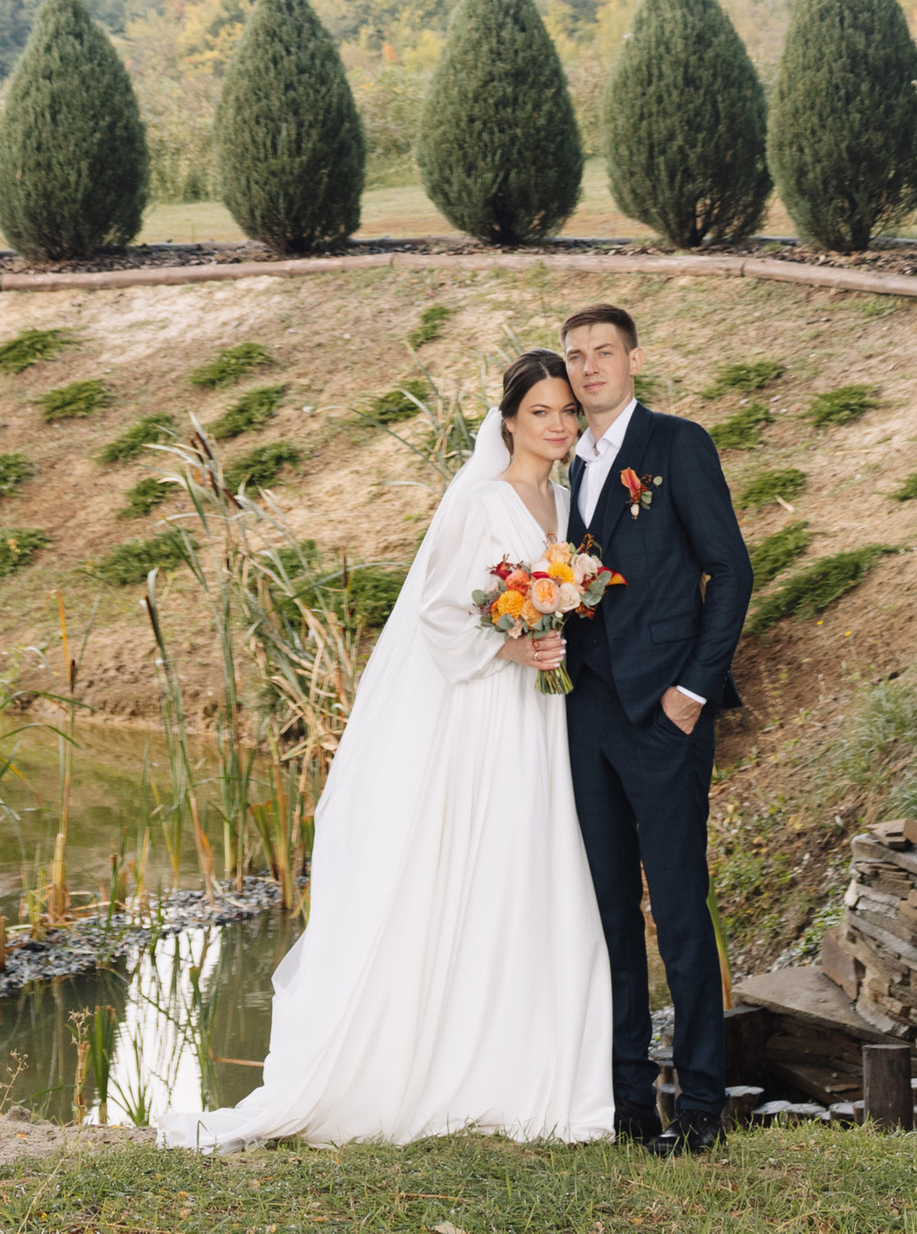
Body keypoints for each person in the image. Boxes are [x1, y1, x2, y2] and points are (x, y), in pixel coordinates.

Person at [194, 347, 613, 1147]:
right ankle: (437, 1064)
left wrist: (549, 628)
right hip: (489, 713)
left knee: (535, 868)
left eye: (567, 411)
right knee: (478, 862)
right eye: (541, 413)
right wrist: (512, 647)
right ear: (509, 421)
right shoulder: (481, 502)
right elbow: (438, 612)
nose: (558, 425)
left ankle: (530, 1064)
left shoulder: (564, 500)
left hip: (545, 717)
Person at [558, 300, 755, 1149]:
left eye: (605, 351)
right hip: (583, 713)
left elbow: (731, 571)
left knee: (678, 910)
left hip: (665, 714)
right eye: (576, 356)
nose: (590, 367)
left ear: (634, 359)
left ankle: (703, 1105)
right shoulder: (561, 464)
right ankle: (629, 1100)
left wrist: (692, 693)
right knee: (607, 913)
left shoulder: (677, 444)